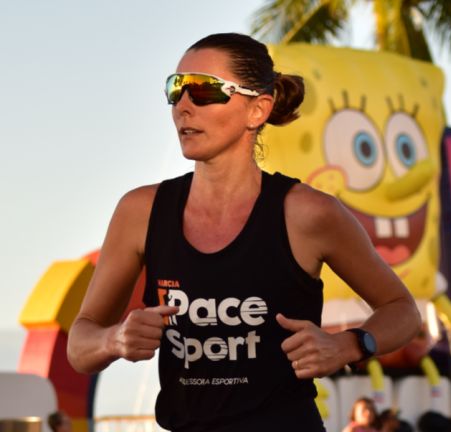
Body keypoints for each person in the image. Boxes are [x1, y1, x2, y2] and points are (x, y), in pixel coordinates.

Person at [66, 32, 421, 432]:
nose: (183, 106)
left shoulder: (308, 213)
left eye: (203, 90)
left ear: (258, 110)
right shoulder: (141, 211)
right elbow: (80, 345)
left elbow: (402, 311)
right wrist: (114, 340)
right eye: (175, 88)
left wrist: (348, 345)